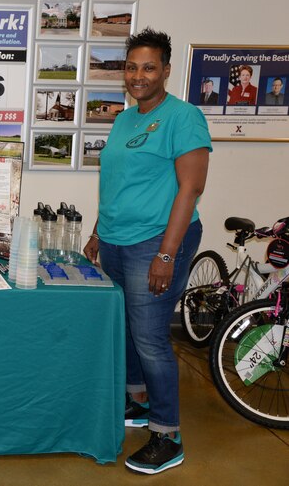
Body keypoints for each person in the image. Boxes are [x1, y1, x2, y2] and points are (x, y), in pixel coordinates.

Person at [82, 28, 211, 475]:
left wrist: (167, 254)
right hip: (117, 239)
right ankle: (138, 403)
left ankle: (167, 434)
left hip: (156, 241)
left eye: (149, 67)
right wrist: (99, 232)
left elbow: (191, 188)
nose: (138, 75)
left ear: (166, 71)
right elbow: (115, 184)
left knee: (152, 338)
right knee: (128, 328)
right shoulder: (123, 119)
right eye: (132, 67)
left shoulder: (183, 117)